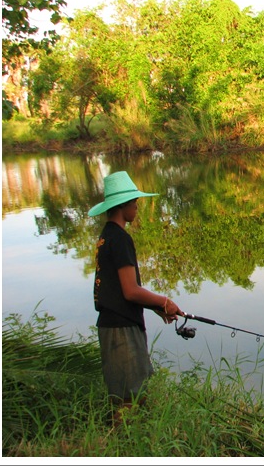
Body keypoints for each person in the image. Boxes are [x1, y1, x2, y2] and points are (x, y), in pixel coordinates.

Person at [88, 170, 183, 424]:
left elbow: (118, 290)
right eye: (135, 203)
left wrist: (155, 309)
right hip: (121, 329)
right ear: (122, 206)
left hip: (114, 324)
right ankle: (120, 444)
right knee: (129, 398)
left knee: (130, 395)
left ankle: (129, 442)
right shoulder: (120, 239)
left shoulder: (106, 237)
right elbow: (130, 290)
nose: (137, 207)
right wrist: (165, 302)